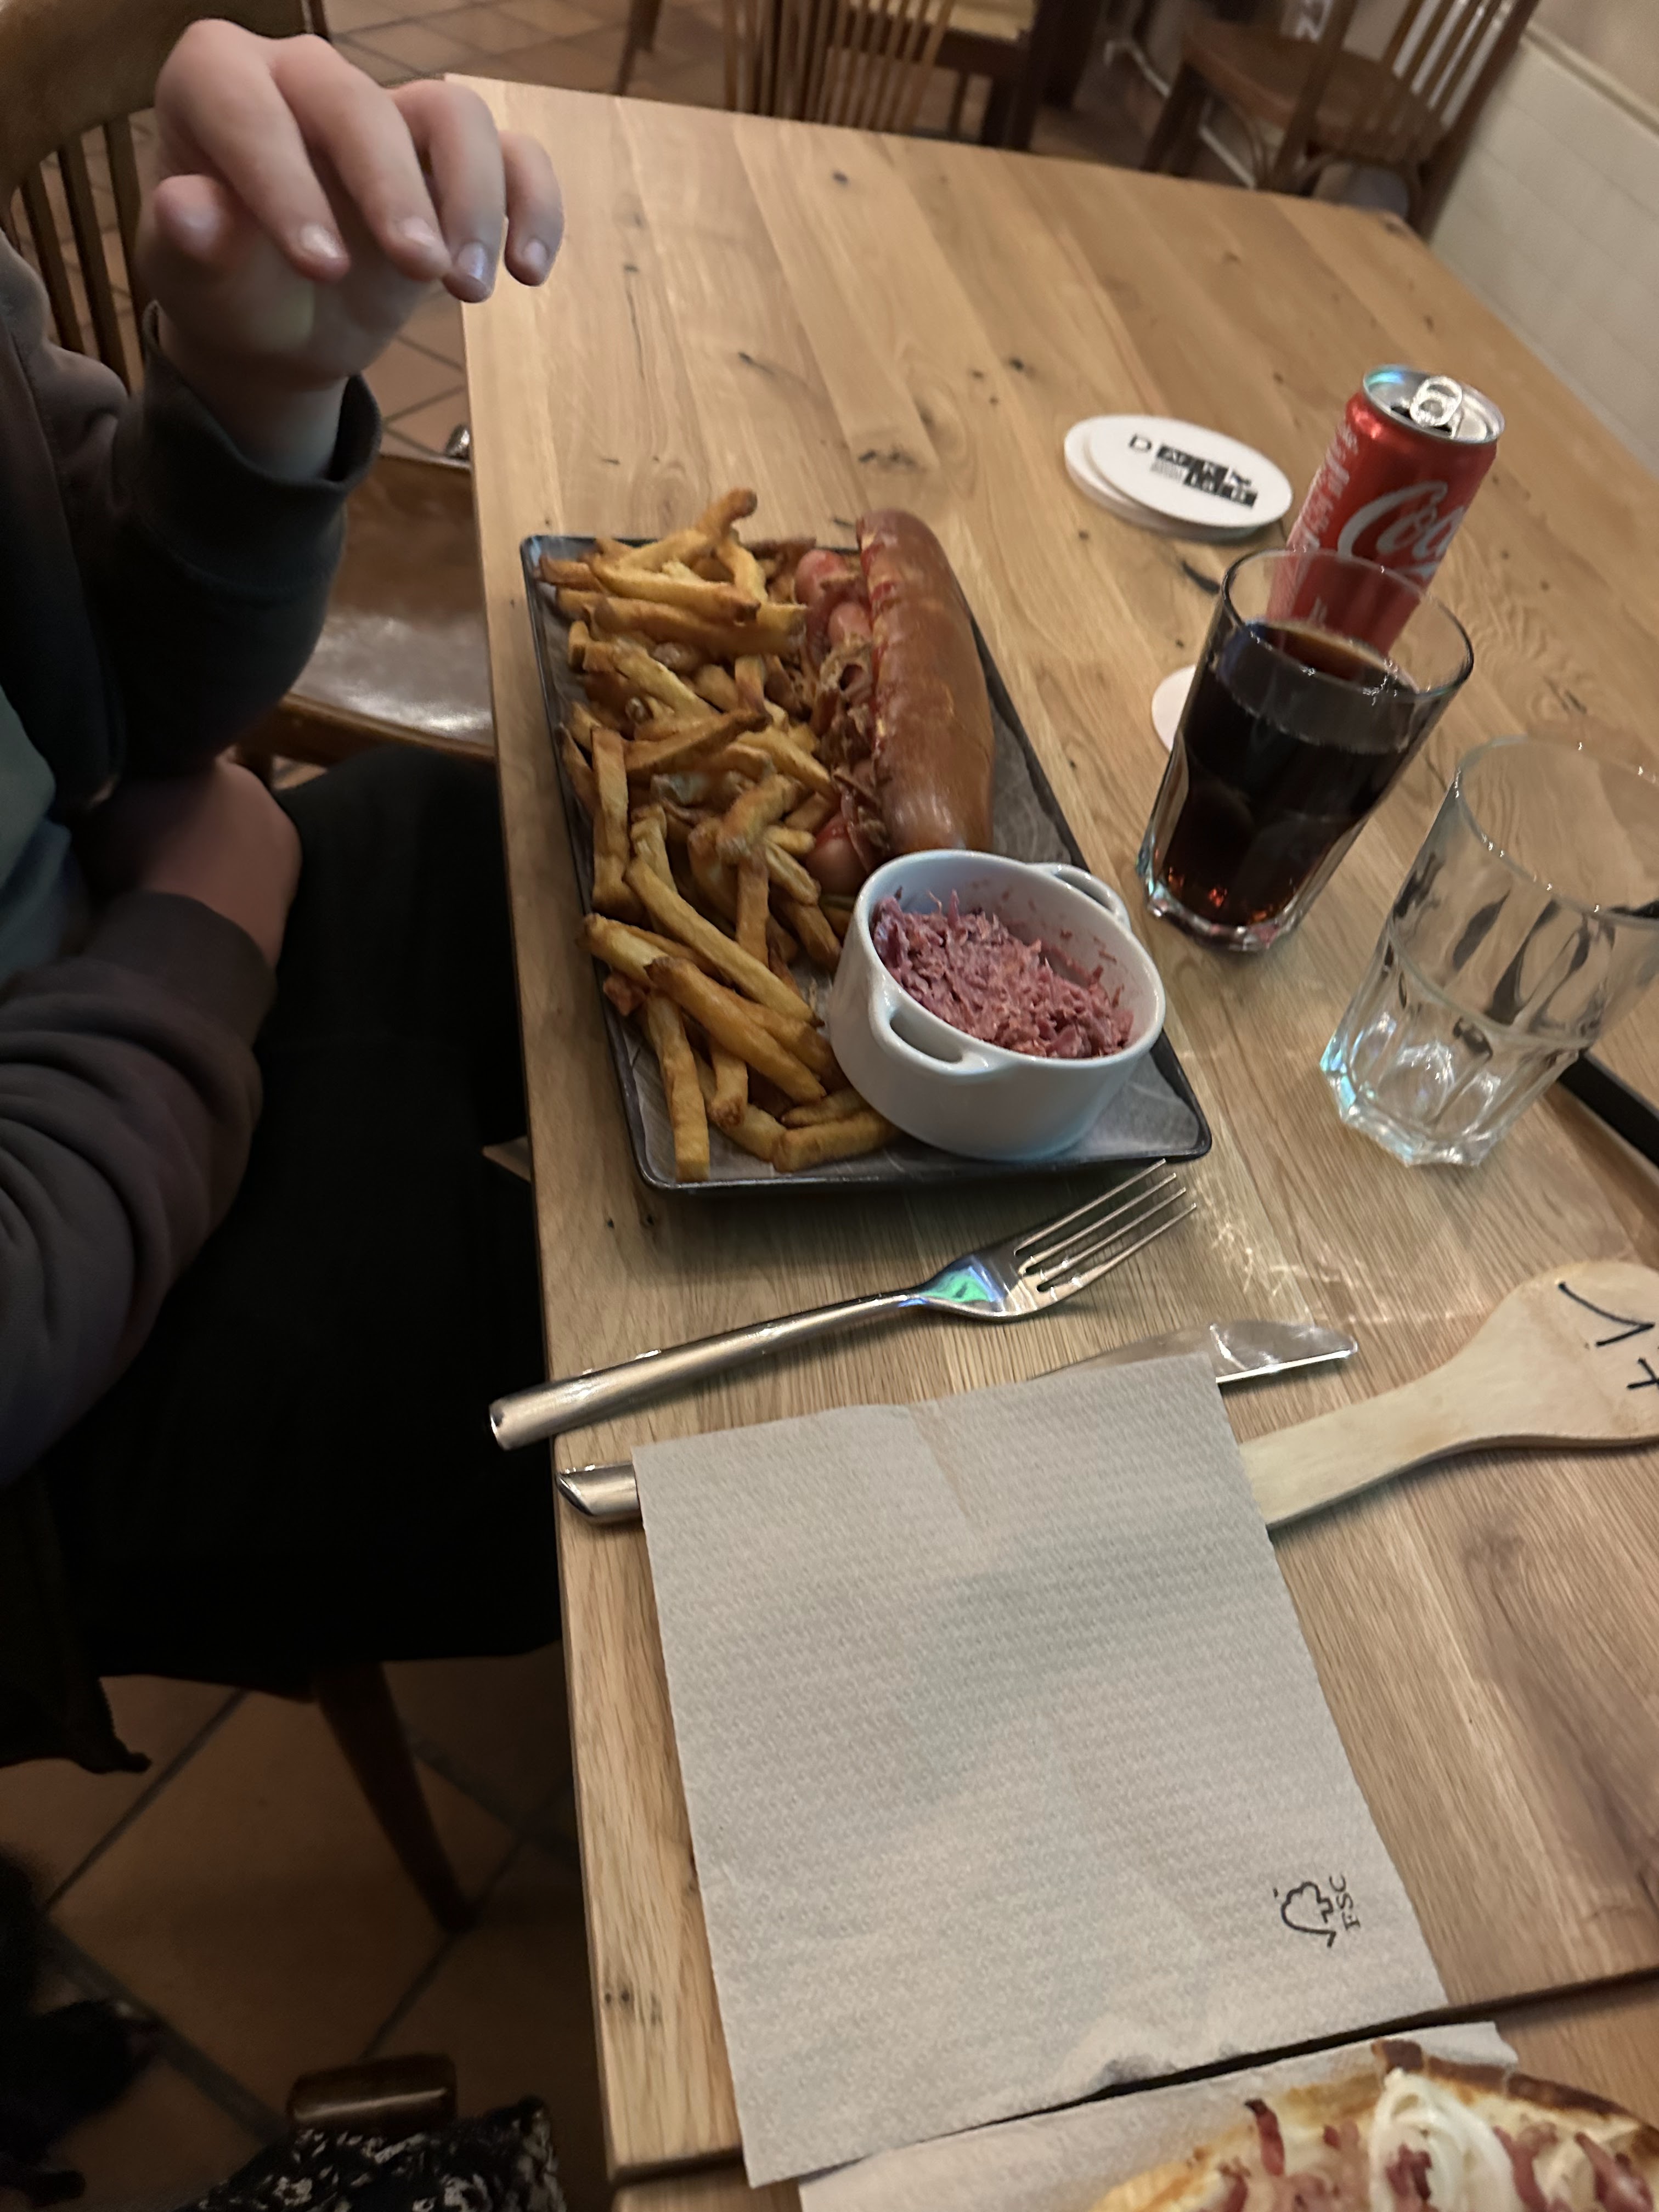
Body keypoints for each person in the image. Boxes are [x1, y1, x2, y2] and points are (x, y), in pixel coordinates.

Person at [0, 26, 566, 1768]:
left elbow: (107, 683)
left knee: (546, 863)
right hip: (55, 1382)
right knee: (687, 1390)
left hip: (122, 926)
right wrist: (202, 932)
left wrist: (253, 401)